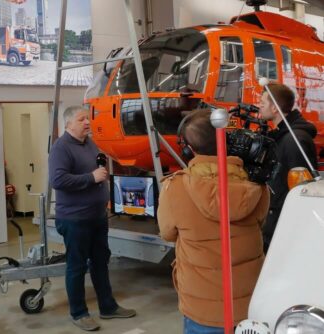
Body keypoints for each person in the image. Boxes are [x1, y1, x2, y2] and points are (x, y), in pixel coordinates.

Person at [157, 109, 269, 333]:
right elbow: (261, 224)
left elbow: (167, 233)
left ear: (188, 149)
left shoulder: (175, 188)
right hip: (250, 302)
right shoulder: (256, 185)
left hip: (201, 305)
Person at [48, 106, 136, 331]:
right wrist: (91, 177)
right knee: (76, 266)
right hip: (75, 219)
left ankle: (108, 307)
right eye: (82, 119)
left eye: (88, 118)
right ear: (69, 124)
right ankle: (78, 313)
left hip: (96, 216)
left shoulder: (89, 143)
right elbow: (58, 180)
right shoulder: (61, 147)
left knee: (100, 262)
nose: (87, 122)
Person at [258, 83, 317, 252]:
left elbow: (301, 190)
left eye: (263, 101)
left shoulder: (293, 141)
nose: (259, 104)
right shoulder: (282, 136)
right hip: (276, 222)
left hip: (283, 227)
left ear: (275, 108)